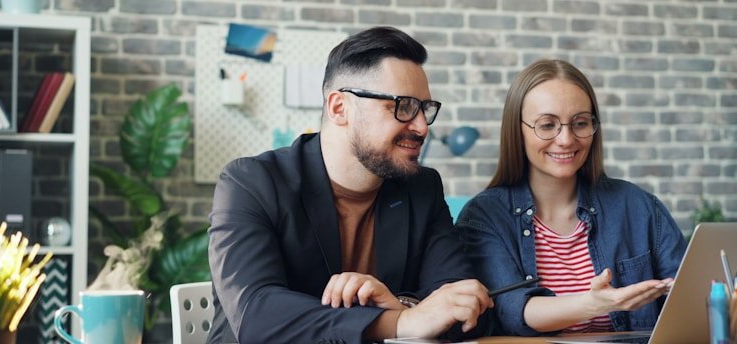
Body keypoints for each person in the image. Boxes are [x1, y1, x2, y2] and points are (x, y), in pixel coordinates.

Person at [207, 26, 493, 343]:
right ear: (339, 108)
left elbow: (465, 305)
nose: (422, 126)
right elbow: (257, 316)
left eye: (424, 109)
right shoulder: (251, 183)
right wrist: (400, 322)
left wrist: (403, 307)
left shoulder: (421, 187)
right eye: (403, 106)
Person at [455, 59, 686, 336]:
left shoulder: (639, 206)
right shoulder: (484, 217)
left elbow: (691, 297)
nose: (566, 139)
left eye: (579, 123)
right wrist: (593, 304)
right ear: (518, 131)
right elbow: (512, 309)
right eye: (547, 125)